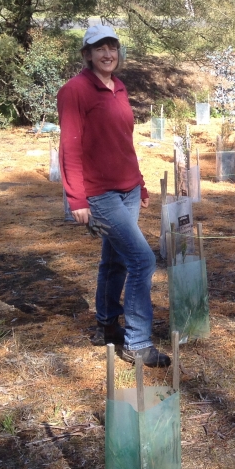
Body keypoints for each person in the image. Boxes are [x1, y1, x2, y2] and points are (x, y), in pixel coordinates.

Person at [58, 25, 170, 367]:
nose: (108, 53)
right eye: (100, 48)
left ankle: (107, 324)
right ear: (87, 54)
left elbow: (124, 142)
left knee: (116, 260)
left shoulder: (119, 88)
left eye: (113, 47)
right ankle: (136, 342)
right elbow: (70, 148)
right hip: (99, 194)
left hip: (128, 190)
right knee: (143, 260)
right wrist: (76, 199)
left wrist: (141, 183)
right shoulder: (74, 91)